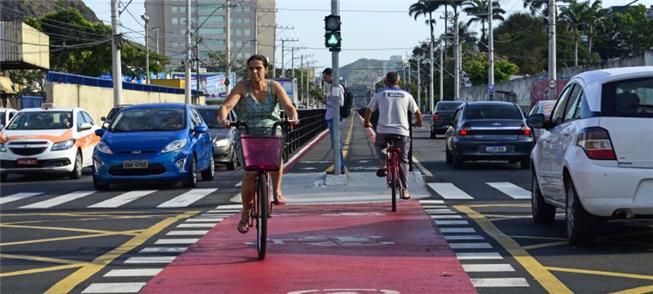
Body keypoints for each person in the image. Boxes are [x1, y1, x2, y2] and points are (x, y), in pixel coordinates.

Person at [218, 54, 299, 233]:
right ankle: (245, 213)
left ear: (266, 70)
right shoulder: (242, 87)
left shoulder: (274, 86)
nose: (254, 72)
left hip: (271, 129)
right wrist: (223, 117)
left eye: (258, 68)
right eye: (251, 68)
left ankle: (276, 190)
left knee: (276, 157)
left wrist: (293, 116)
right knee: (250, 173)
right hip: (247, 131)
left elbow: (288, 106)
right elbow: (227, 106)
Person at [363, 72, 423, 199]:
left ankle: (384, 162)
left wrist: (367, 122)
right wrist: (418, 123)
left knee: (379, 145)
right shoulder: (407, 95)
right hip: (402, 132)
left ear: (385, 81)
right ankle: (405, 189)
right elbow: (418, 113)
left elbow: (369, 110)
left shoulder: (380, 95)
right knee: (404, 159)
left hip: (384, 130)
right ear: (398, 81)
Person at [319, 68, 347, 174]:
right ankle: (339, 166)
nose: (324, 79)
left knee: (336, 143)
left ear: (331, 75)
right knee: (335, 143)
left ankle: (339, 167)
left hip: (334, 118)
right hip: (331, 117)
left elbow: (340, 103)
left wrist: (327, 102)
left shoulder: (337, 87)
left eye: (325, 77)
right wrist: (327, 101)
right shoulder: (332, 87)